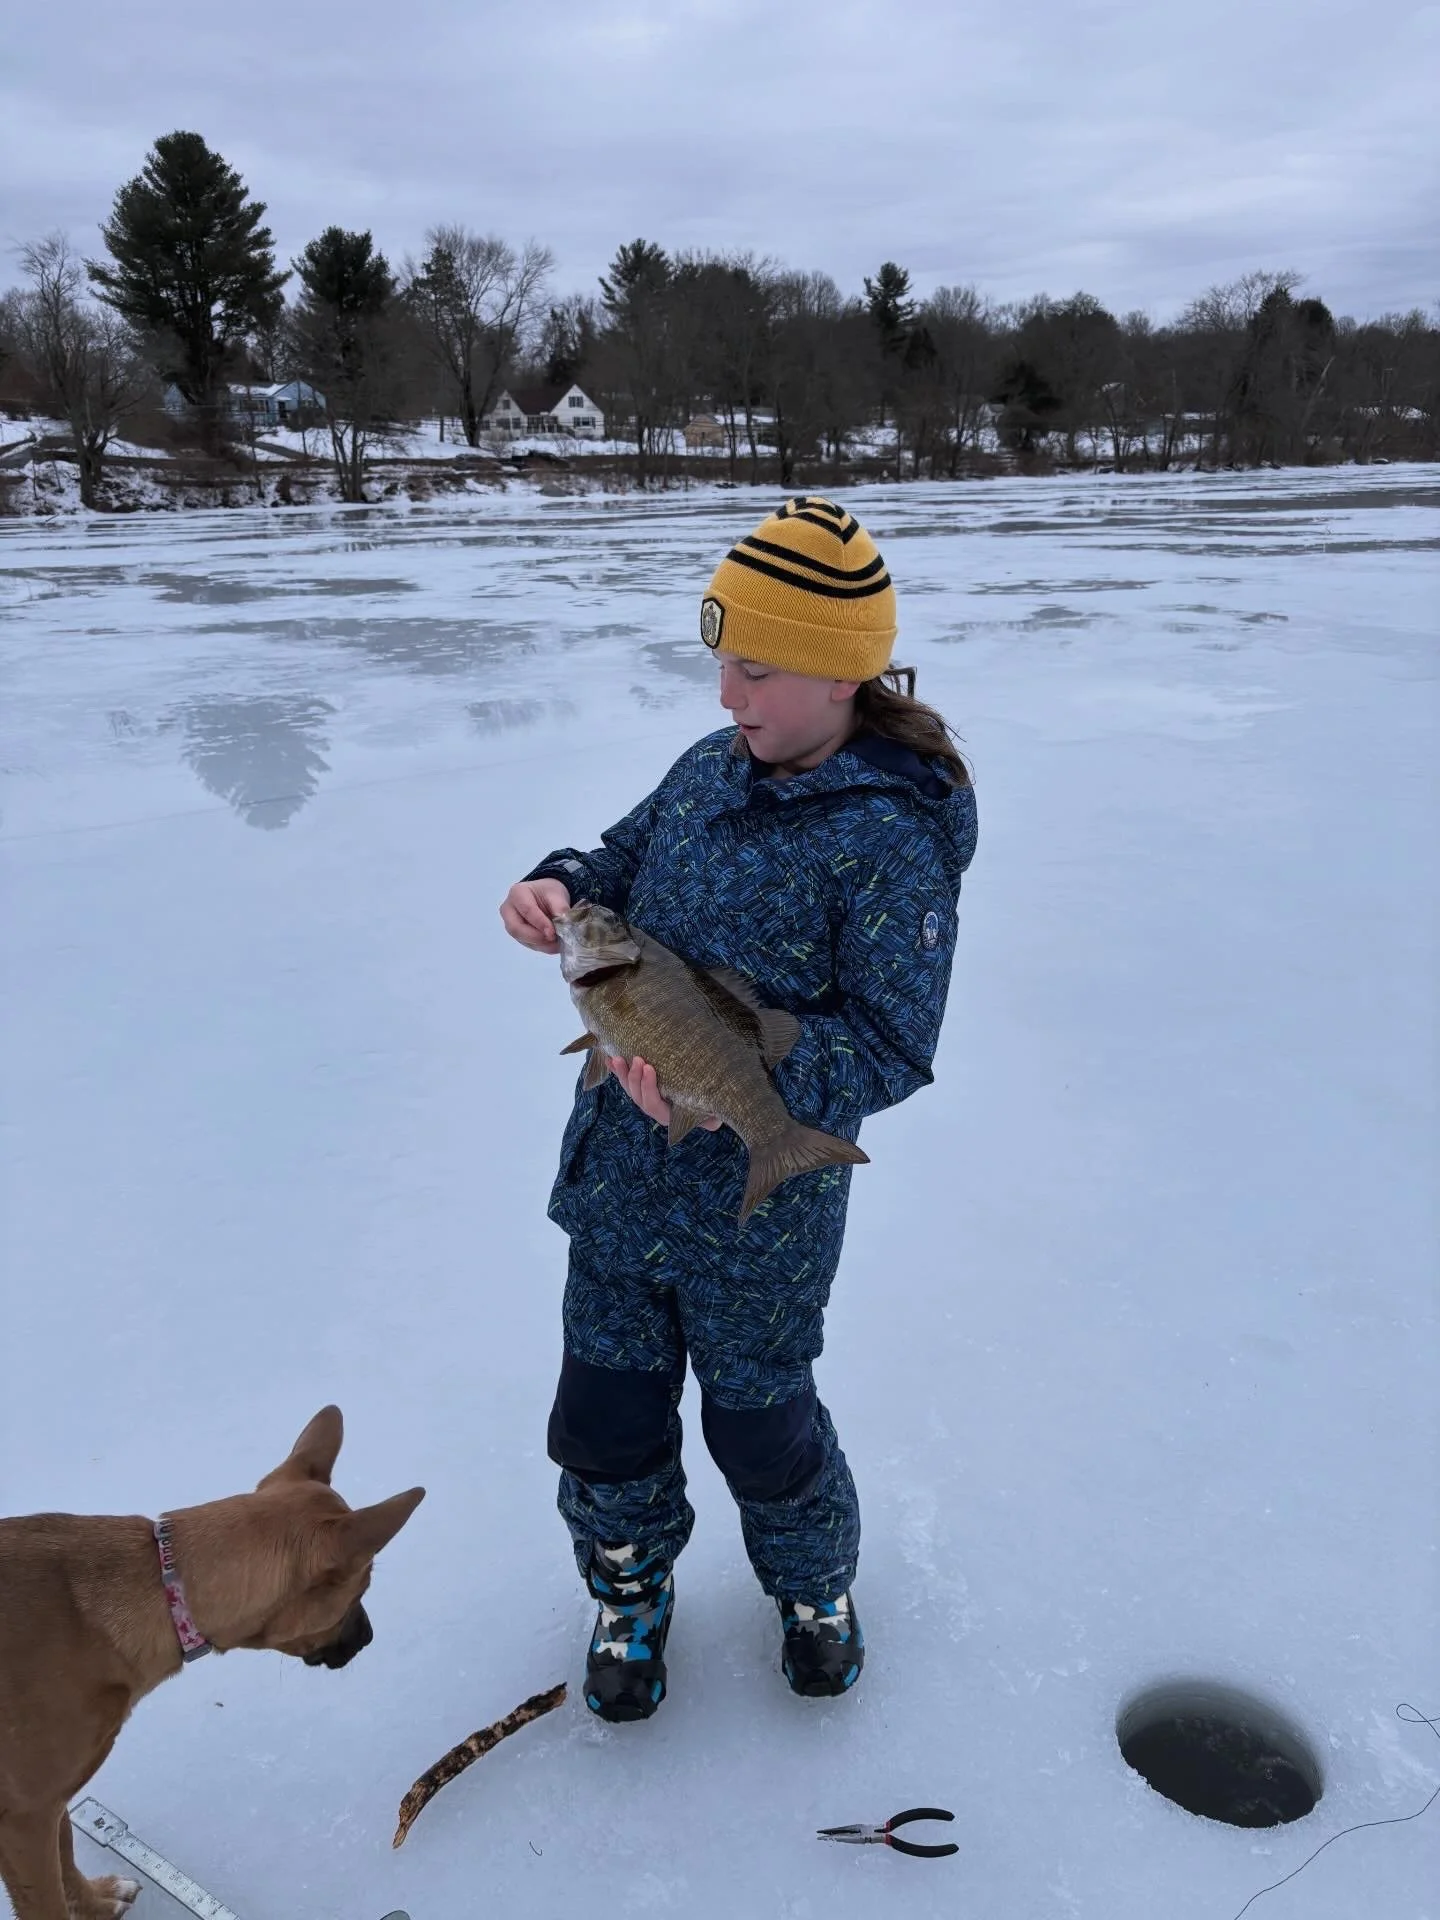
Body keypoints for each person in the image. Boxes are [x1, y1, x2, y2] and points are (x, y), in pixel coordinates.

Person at [500, 495, 978, 1722]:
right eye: (722, 663)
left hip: (763, 1215)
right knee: (603, 1420)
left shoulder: (891, 839)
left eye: (756, 669)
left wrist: (738, 1091)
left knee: (764, 1431)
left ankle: (813, 1589)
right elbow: (617, 858)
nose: (728, 696)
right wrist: (561, 884)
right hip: (618, 1178)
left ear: (839, 673)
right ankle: (628, 1588)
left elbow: (889, 1044)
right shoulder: (706, 771)